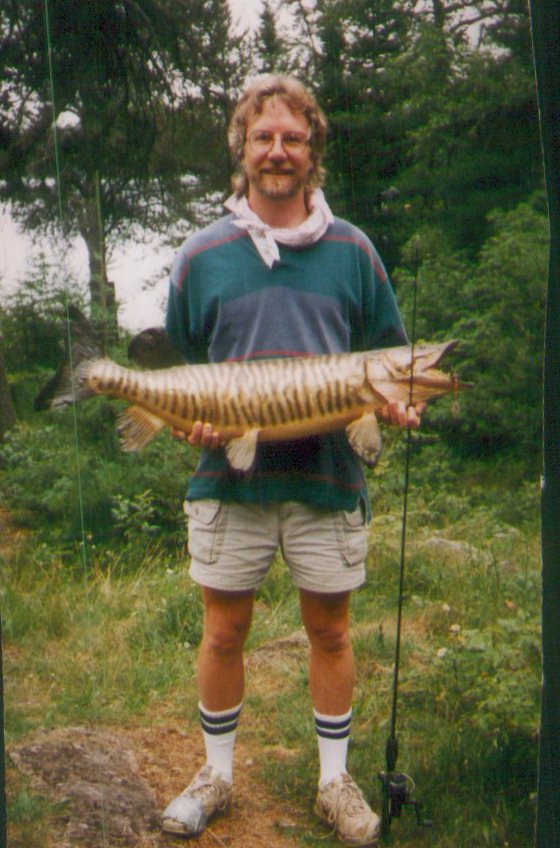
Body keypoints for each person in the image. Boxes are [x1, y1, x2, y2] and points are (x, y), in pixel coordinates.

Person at [160, 74, 423, 846]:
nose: (278, 151)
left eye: (294, 139)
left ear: (313, 153)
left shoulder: (355, 251)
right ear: (241, 149)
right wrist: (186, 420)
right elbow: (181, 366)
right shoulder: (201, 254)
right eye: (263, 137)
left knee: (331, 633)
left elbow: (390, 358)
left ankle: (334, 783)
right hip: (228, 480)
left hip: (328, 481)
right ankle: (216, 774)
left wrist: (395, 404)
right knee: (222, 632)